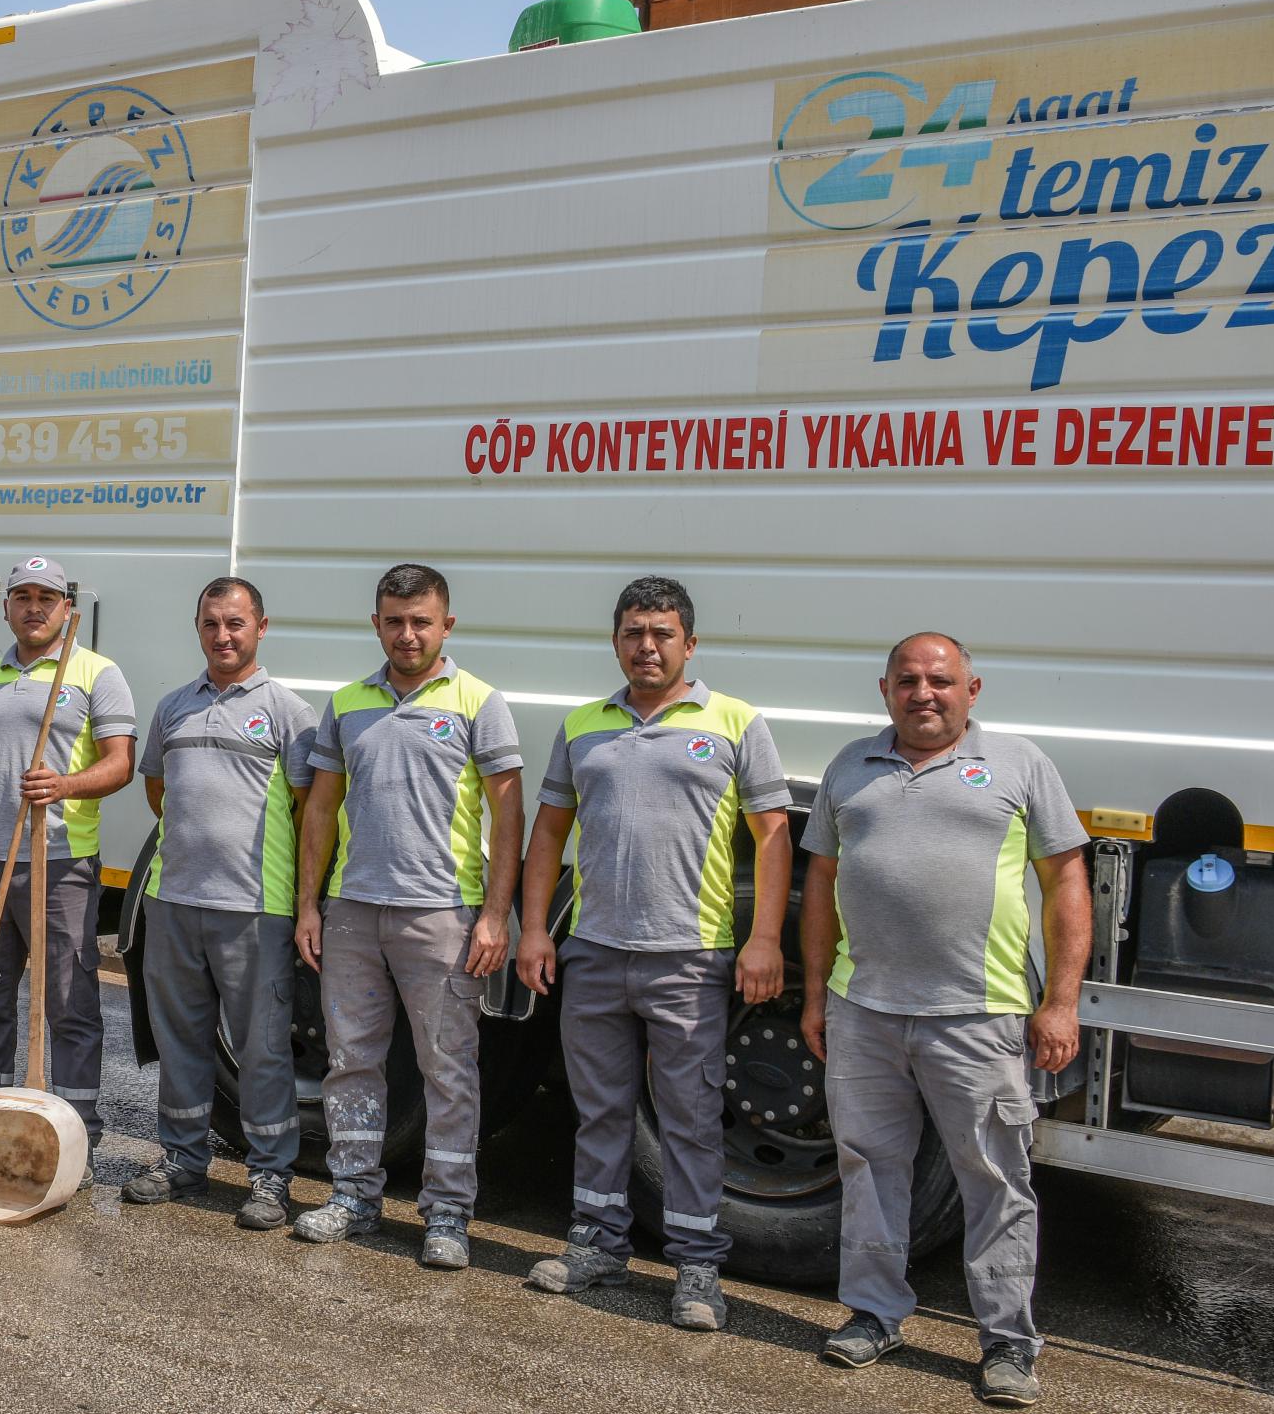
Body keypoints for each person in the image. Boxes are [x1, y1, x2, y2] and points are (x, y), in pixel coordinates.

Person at [802, 632, 1089, 1409]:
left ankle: (1007, 1343)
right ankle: (874, 1313)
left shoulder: (1020, 764)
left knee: (994, 1177)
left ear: (973, 688)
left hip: (979, 1013)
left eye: (940, 680)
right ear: (885, 688)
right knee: (867, 1164)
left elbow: (1066, 879)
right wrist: (816, 995)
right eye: (907, 680)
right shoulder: (849, 767)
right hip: (866, 1010)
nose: (923, 692)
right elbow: (821, 880)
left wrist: (1060, 1001)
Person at [516, 575, 791, 1331]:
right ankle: (597, 1244)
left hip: (689, 957)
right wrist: (537, 929)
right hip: (596, 951)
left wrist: (763, 937)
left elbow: (773, 835)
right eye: (634, 632)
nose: (647, 645)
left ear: (690, 643)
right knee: (598, 1108)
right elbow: (547, 833)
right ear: (616, 641)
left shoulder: (733, 721)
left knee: (690, 1116)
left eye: (662, 633)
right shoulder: (583, 724)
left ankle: (697, 1269)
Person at [288, 564, 524, 1260]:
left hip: (443, 916)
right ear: (376, 623)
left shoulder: (479, 702)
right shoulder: (349, 702)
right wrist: (310, 904)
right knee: (351, 1061)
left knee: (448, 1068)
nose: (408, 633)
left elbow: (510, 814)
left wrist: (495, 915)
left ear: (446, 624)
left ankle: (447, 1215)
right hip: (355, 912)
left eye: (421, 620)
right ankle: (354, 1196)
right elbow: (321, 809)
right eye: (394, 619)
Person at [125, 576, 320, 1229]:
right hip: (173, 898)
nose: (223, 634)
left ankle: (269, 1177)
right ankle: (181, 1159)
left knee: (262, 1046)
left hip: (254, 906)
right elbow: (159, 790)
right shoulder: (174, 706)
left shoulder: (290, 712)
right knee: (180, 1039)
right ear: (199, 628)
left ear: (261, 627)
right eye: (211, 623)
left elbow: (310, 807)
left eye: (235, 623)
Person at [0, 554, 136, 1138]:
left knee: (68, 1001)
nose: (35, 608)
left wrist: (65, 784)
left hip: (60, 861)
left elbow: (121, 765)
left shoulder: (96, 672)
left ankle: (73, 1130)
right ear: (7, 607)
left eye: (48, 598)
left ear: (68, 609)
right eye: (24, 597)